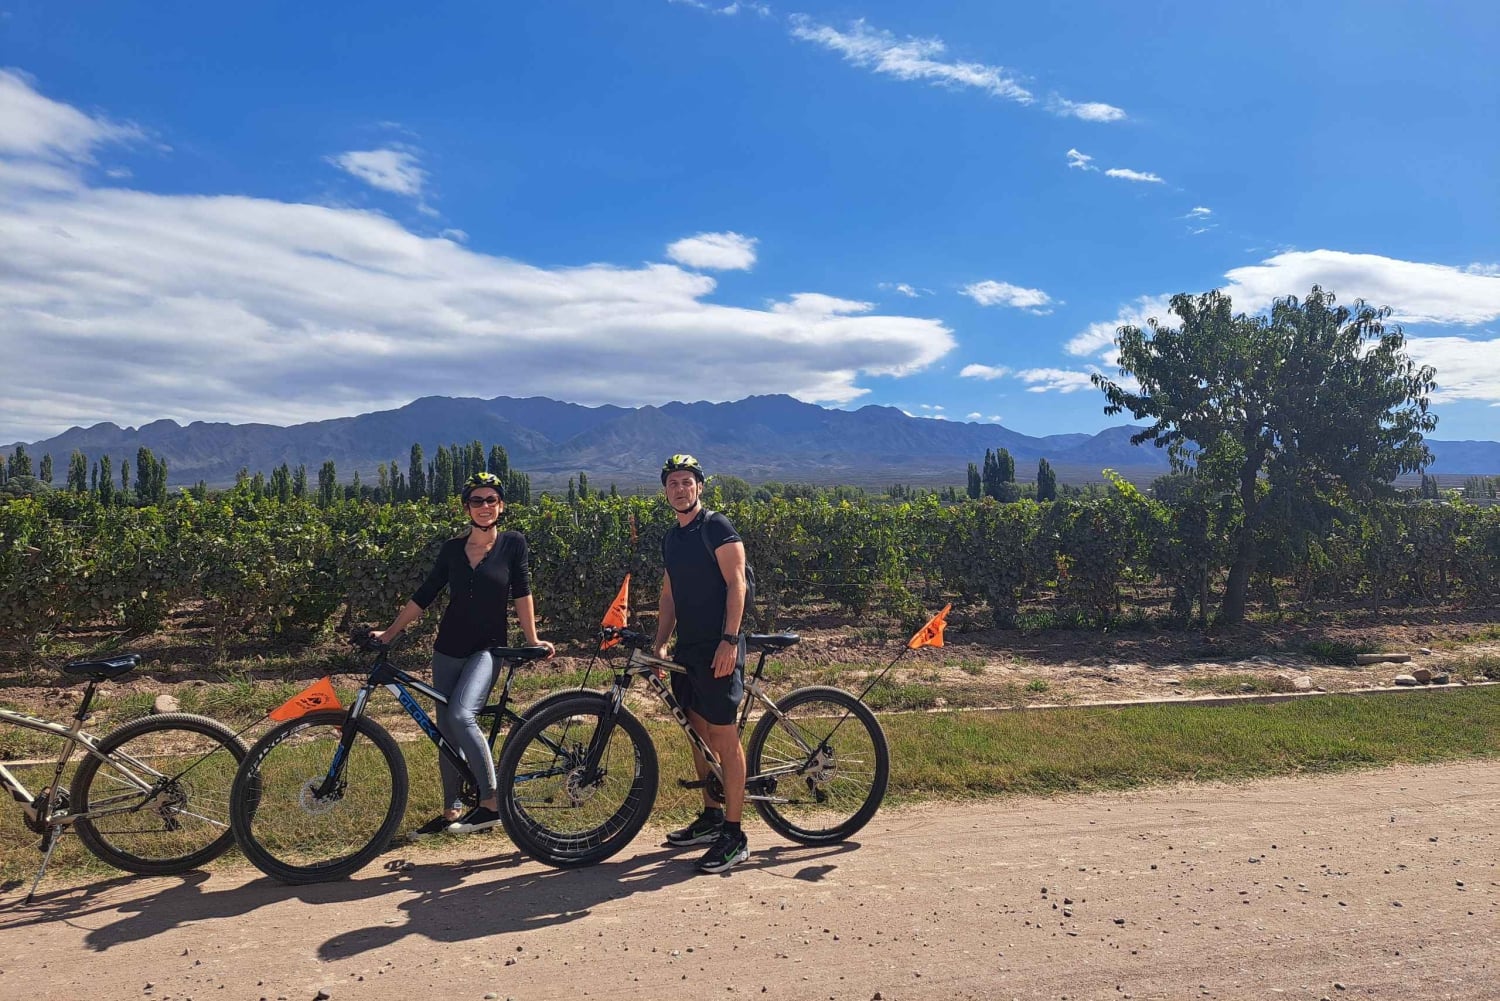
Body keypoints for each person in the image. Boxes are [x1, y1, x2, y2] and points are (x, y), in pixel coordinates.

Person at [372, 471, 554, 836]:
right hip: (448, 649)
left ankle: (492, 803)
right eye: (476, 500)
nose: (484, 506)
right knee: (446, 731)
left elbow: (522, 592)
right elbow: (425, 595)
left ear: (501, 506)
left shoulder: (513, 544)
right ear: (466, 507)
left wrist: (532, 639)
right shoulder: (452, 550)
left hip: (487, 649)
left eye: (491, 500)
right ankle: (451, 810)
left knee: (461, 714)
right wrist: (389, 633)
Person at [652, 454, 751, 873]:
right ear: (666, 491)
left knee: (724, 738)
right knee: (698, 734)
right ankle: (712, 815)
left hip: (719, 646)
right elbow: (669, 596)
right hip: (689, 649)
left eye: (686, 482)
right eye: (673, 483)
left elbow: (737, 583)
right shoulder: (672, 538)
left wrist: (729, 640)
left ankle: (735, 834)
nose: (680, 489)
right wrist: (660, 644)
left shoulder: (716, 527)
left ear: (699, 487)